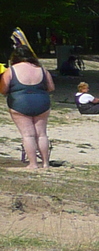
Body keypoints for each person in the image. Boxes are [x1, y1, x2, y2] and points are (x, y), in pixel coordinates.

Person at [4, 35, 54, 169]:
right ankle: (45, 163)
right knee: (42, 134)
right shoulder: (42, 69)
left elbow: (3, 89)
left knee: (28, 134)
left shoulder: (11, 70)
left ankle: (33, 163)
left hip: (20, 103)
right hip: (42, 101)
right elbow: (51, 88)